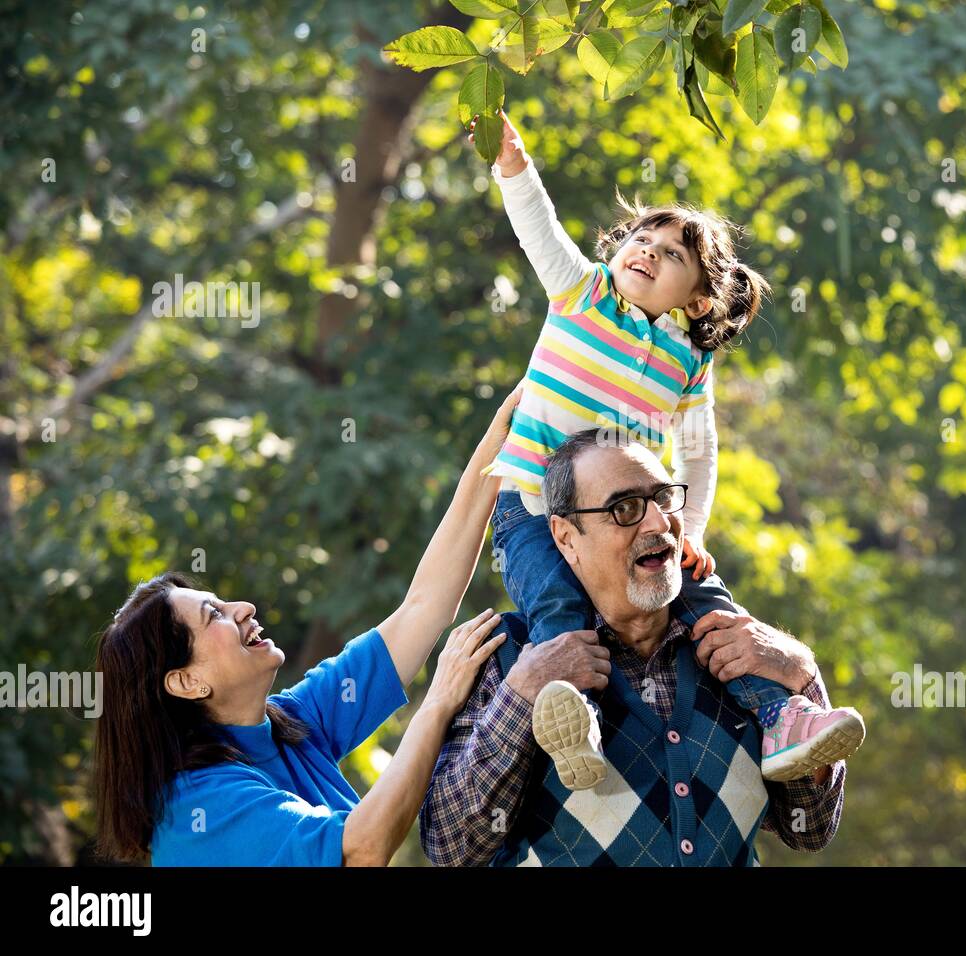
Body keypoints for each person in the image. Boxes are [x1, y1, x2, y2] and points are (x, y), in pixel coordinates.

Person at [469, 108, 864, 789]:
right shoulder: (582, 293)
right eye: (641, 237)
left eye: (671, 253)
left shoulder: (687, 358)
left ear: (702, 300)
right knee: (558, 612)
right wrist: (512, 163)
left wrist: (693, 533)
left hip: (639, 524)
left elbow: (700, 454)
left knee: (711, 610)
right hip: (534, 510)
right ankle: (577, 726)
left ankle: (782, 720)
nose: (646, 249)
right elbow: (539, 226)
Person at [92, 387, 520, 866]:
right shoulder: (199, 806)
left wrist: (501, 441)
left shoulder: (293, 721)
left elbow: (425, 607)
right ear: (187, 681)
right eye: (213, 614)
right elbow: (362, 849)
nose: (243, 608)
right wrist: (438, 703)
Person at [420, 430, 856, 866]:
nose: (657, 524)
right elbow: (450, 848)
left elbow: (810, 826)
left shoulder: (739, 650)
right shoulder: (509, 658)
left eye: (663, 499)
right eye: (624, 508)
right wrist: (520, 698)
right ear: (566, 537)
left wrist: (802, 674)